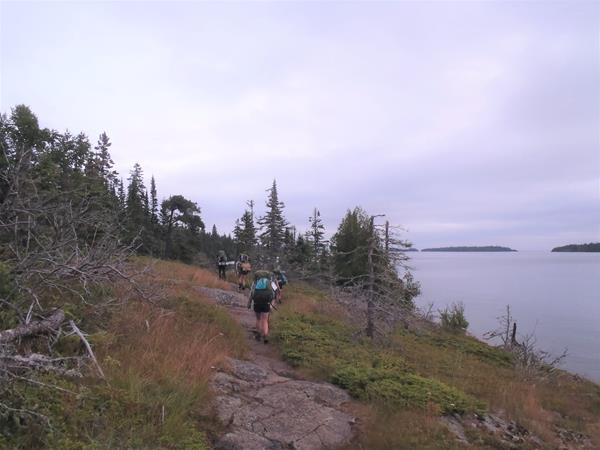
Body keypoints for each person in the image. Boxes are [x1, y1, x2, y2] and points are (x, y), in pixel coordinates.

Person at [247, 270, 275, 343]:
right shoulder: (271, 283)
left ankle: (258, 335)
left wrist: (249, 303)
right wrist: (272, 305)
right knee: (265, 320)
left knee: (258, 319)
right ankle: (265, 335)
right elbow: (274, 293)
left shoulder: (255, 283)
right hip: (266, 303)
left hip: (257, 302)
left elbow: (251, 294)